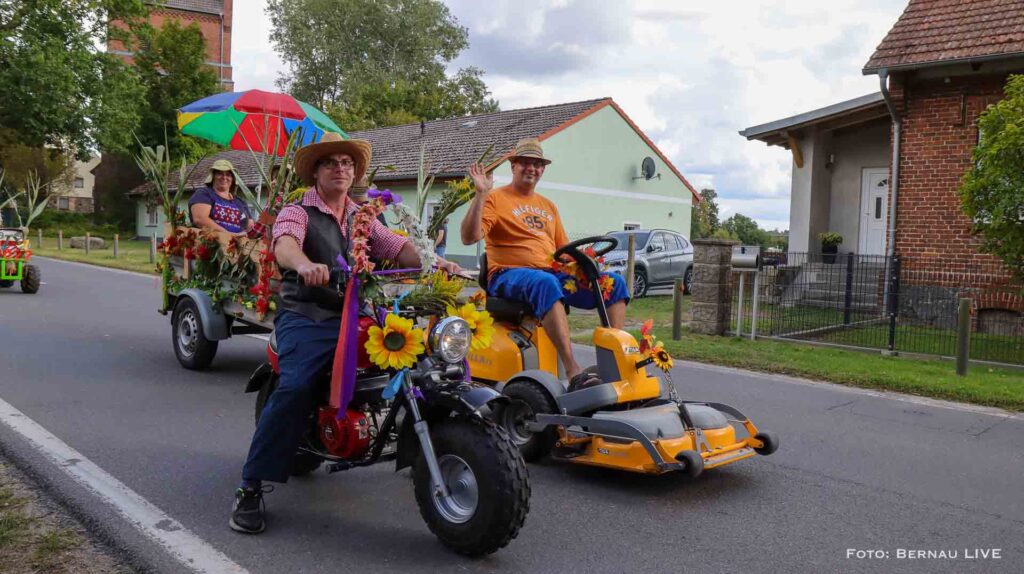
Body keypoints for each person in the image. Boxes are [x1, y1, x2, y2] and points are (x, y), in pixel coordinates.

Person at [230, 132, 459, 535]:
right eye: (332, 162)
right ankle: (250, 487)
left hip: (357, 310)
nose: (341, 168)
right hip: (308, 313)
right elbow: (284, 244)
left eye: (347, 163)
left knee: (424, 363)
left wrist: (434, 260)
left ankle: (424, 442)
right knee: (296, 386)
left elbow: (400, 249)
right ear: (317, 171)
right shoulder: (298, 210)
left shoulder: (362, 216)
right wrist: (303, 266)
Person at [461, 138, 629, 390]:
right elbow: (469, 237)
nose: (533, 168)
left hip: (549, 272)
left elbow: (563, 251)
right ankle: (573, 370)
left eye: (538, 164)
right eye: (526, 163)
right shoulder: (495, 198)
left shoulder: (548, 206)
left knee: (613, 283)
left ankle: (616, 365)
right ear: (513, 166)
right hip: (508, 275)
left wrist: (586, 261)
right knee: (546, 282)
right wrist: (481, 194)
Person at [188, 159, 254, 235]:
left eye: (228, 175)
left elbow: (250, 226)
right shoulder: (204, 194)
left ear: (233, 179)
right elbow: (200, 220)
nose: (224, 177)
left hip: (237, 244)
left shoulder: (240, 202)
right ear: (213, 177)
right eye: (219, 173)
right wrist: (230, 235)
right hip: (210, 244)